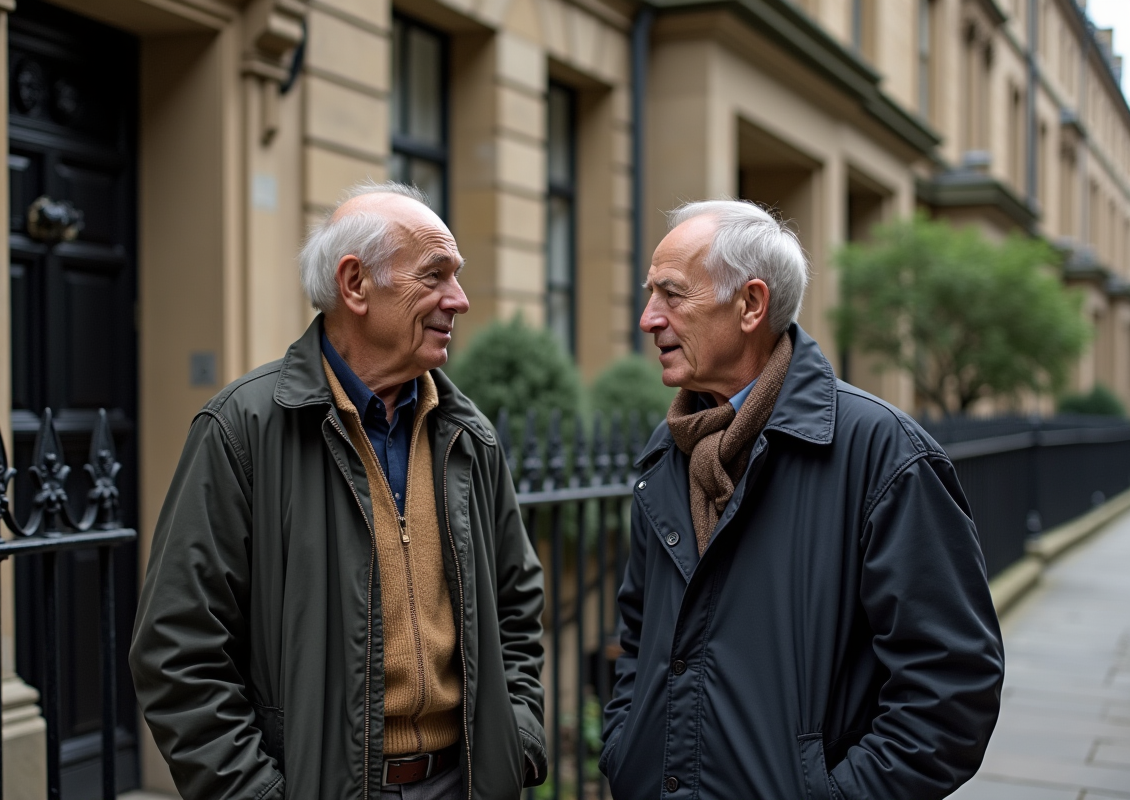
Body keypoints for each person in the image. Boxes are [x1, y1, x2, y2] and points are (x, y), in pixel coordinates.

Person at [130, 181, 547, 800]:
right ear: (355, 285)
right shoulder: (243, 430)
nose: (458, 300)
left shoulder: (469, 437)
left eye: (455, 278)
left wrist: (518, 743)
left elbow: (517, 606)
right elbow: (178, 650)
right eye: (434, 276)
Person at [599, 200, 1004, 800]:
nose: (647, 318)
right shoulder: (670, 452)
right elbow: (639, 633)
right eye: (649, 293)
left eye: (671, 294)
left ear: (751, 305)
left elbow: (952, 687)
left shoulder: (882, 452)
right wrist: (625, 747)